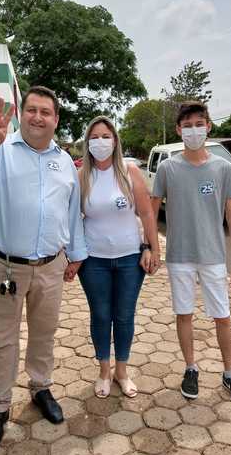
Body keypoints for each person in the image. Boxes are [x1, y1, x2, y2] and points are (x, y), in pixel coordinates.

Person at [0, 86, 87, 449]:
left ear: (56, 119)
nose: (38, 117)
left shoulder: (64, 161)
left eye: (46, 112)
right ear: (22, 114)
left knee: (45, 334)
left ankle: (40, 388)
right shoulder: (0, 148)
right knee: (3, 339)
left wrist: (76, 254)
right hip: (5, 268)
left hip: (50, 266)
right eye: (31, 110)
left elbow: (72, 211)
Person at [151, 101, 231, 407]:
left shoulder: (222, 168)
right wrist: (152, 247)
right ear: (178, 129)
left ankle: (230, 373)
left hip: (213, 256)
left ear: (208, 126)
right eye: (187, 124)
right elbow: (152, 209)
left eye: (199, 123)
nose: (193, 129)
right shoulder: (168, 168)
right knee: (185, 315)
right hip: (179, 255)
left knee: (222, 316)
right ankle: (190, 368)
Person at [66, 116, 160, 398]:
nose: (101, 142)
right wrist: (73, 256)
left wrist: (153, 248)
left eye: (106, 136)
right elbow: (72, 220)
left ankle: (122, 371)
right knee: (101, 315)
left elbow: (146, 213)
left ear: (115, 140)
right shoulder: (80, 176)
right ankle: (103, 371)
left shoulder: (130, 172)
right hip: (94, 262)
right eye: (94, 137)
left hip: (130, 260)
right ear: (87, 142)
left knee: (124, 316)